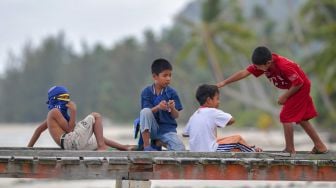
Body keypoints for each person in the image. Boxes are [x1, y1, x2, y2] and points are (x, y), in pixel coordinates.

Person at [216, 46, 328, 154]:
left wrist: (285, 96)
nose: (258, 70)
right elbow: (244, 73)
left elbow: (299, 83)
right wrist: (224, 82)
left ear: (268, 63)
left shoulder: (283, 65)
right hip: (295, 86)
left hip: (300, 87)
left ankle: (290, 149)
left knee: (285, 116)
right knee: (302, 119)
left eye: (259, 67)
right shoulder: (264, 63)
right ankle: (320, 146)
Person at [28, 86, 135, 151]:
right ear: (55, 99)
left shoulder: (55, 116)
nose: (67, 100)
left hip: (72, 144)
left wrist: (29, 148)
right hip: (70, 142)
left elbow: (38, 130)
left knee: (99, 139)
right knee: (95, 115)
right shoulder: (54, 112)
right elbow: (70, 130)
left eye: (67, 97)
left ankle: (124, 147)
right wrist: (73, 112)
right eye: (63, 98)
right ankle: (102, 147)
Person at [183, 84, 262, 152]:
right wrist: (217, 124)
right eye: (217, 99)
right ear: (209, 100)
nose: (219, 102)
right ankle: (253, 152)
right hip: (210, 150)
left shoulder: (194, 115)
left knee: (230, 146)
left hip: (195, 150)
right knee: (238, 139)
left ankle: (248, 148)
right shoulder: (212, 111)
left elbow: (185, 134)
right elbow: (232, 120)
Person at [137, 58, 185, 151]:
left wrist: (173, 108)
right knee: (145, 111)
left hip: (167, 130)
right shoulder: (146, 92)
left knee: (180, 149)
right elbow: (146, 113)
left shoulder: (172, 93)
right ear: (155, 76)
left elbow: (176, 115)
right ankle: (147, 146)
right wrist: (158, 107)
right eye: (165, 75)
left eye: (170, 75)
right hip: (151, 129)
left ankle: (158, 142)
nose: (168, 78)